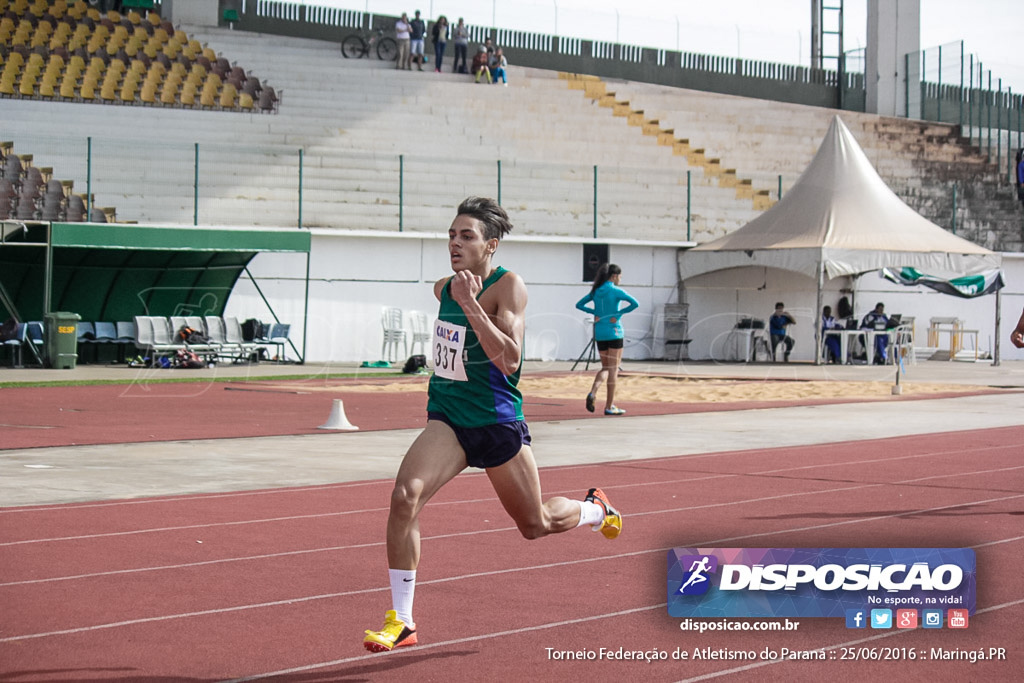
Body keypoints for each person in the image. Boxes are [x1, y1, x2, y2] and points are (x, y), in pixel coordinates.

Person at [362, 197, 623, 653]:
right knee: (404, 497)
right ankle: (401, 620)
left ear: (491, 245)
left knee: (534, 524)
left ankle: (596, 510)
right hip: (449, 419)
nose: (454, 243)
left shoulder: (509, 287)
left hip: (497, 421)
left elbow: (510, 360)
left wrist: (472, 305)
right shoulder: (444, 287)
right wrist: (458, 298)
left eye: (466, 236)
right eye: (450, 234)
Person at [574, 263, 639, 415]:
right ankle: (609, 406)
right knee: (613, 370)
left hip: (600, 332)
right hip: (614, 331)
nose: (620, 280)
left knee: (605, 368)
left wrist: (594, 312)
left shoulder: (596, 292)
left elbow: (579, 305)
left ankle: (593, 392)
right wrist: (618, 314)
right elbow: (635, 304)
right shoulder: (616, 291)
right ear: (614, 276)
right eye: (620, 277)